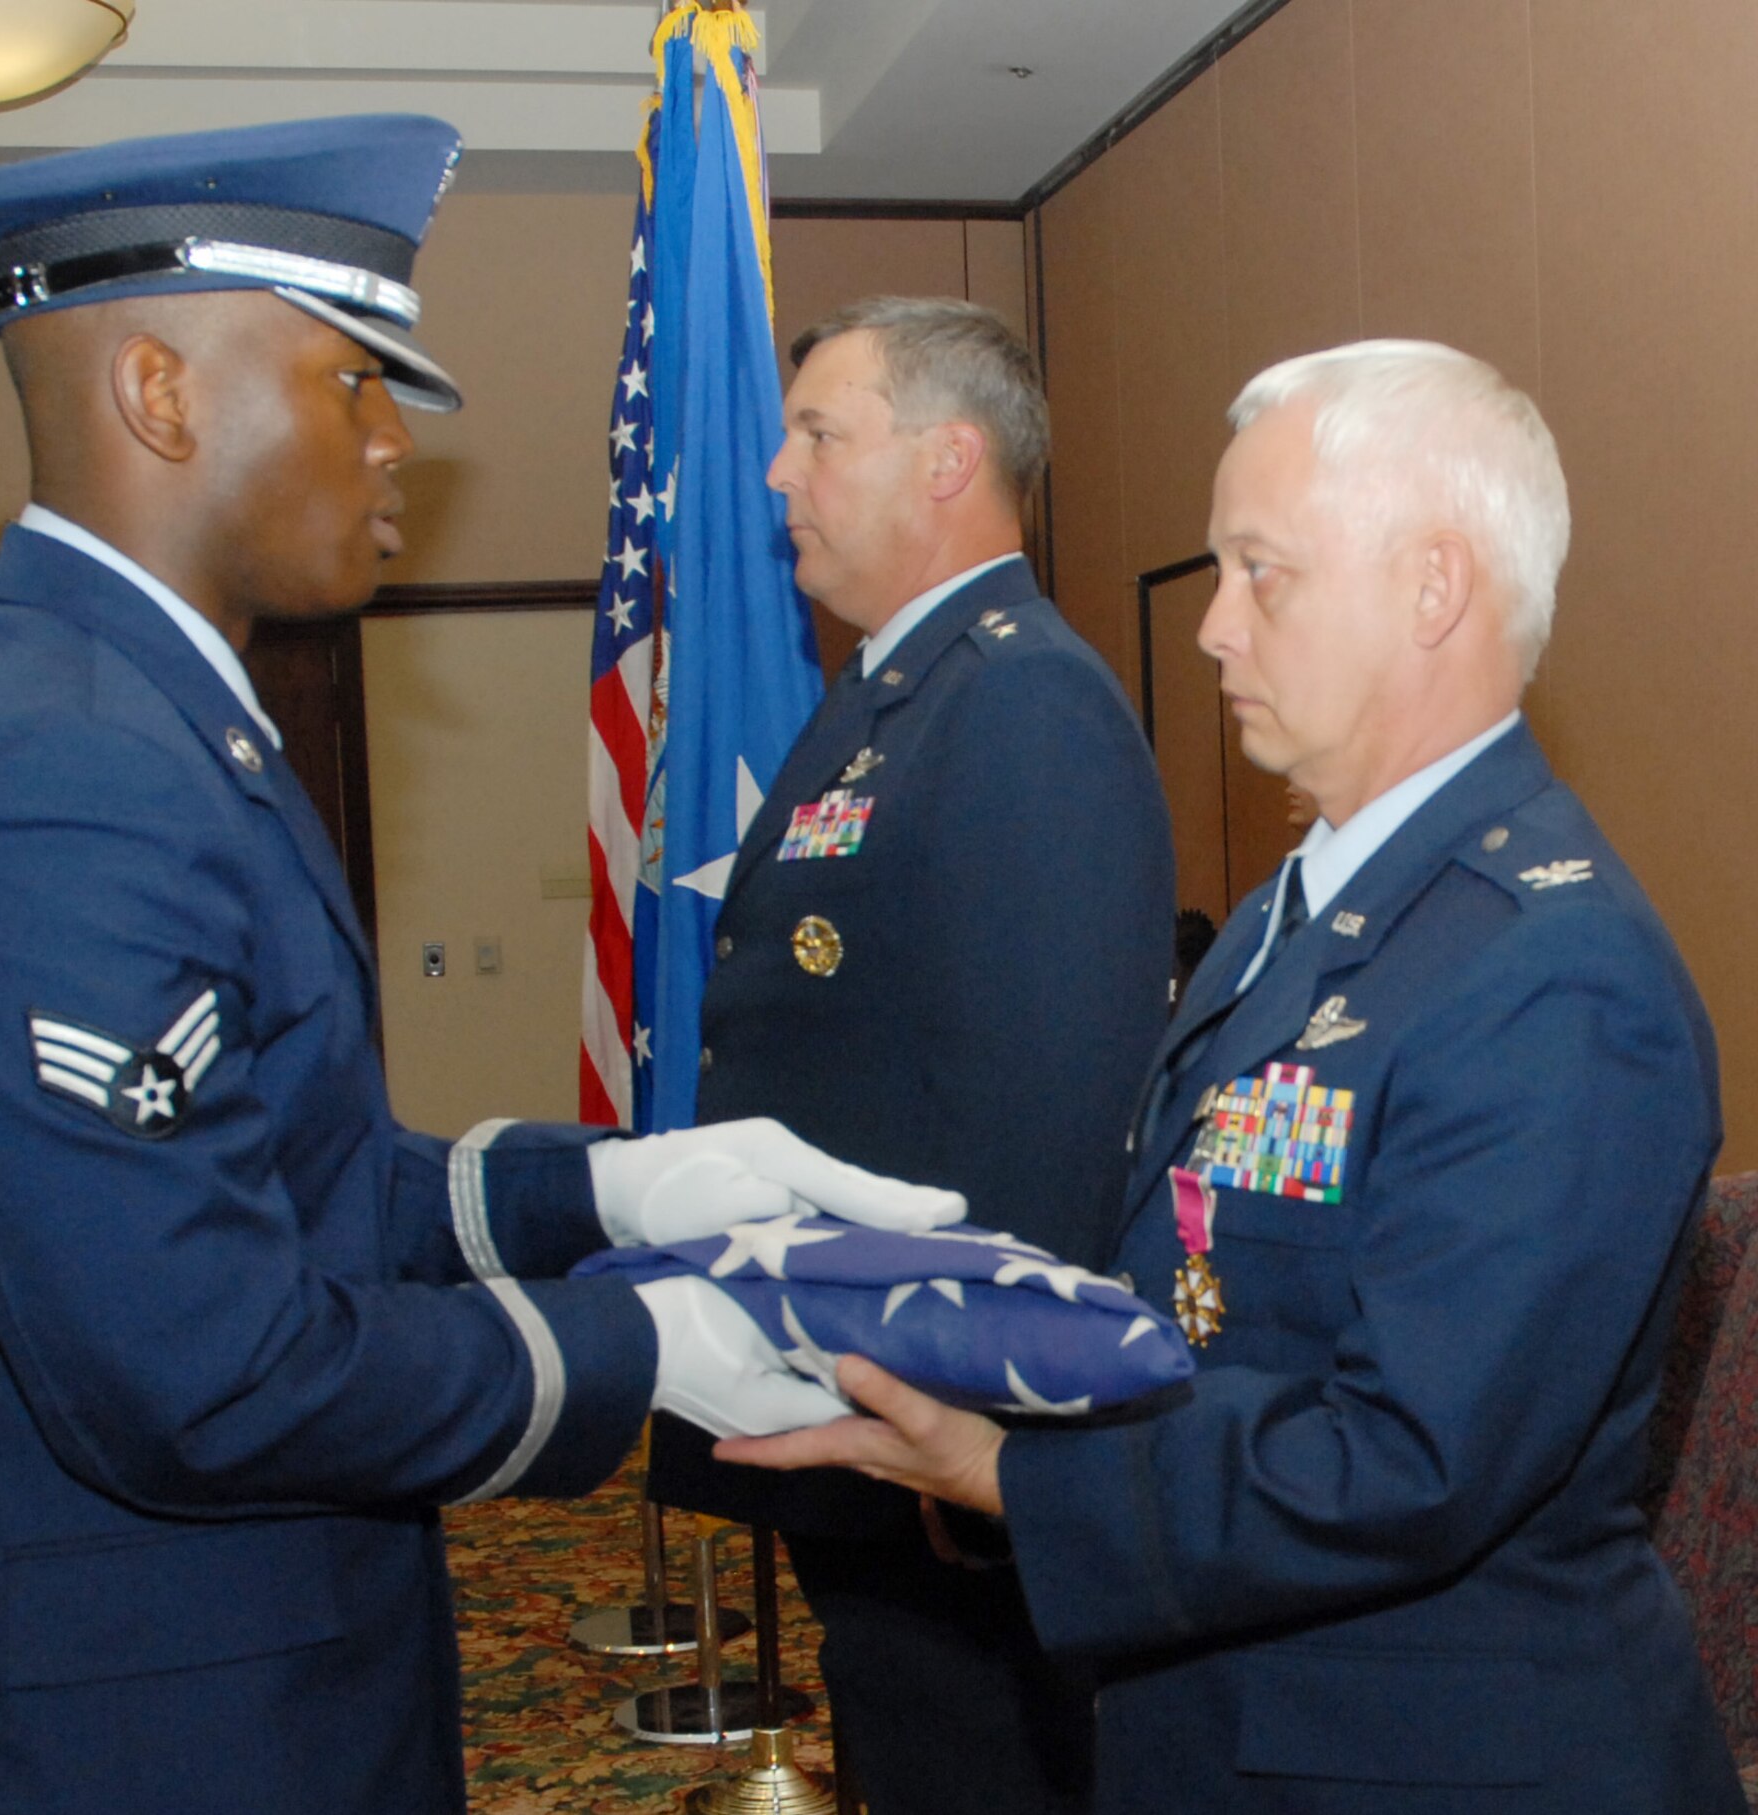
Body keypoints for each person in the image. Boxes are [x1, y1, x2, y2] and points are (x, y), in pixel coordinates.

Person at [0, 116, 964, 1815]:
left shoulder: (149, 723)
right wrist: (641, 1348)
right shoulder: (60, 782)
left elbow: (312, 1181)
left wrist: (628, 1191)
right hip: (138, 1737)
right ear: (161, 389)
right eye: (356, 383)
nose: (393, 448)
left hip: (235, 1674)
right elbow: (208, 1371)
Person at [722, 339, 1746, 1813]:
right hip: (1235, 1710)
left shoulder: (1557, 973)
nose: (1212, 630)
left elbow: (1409, 1459)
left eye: (1261, 573)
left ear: (1433, 589)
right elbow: (1201, 1301)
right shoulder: (1295, 913)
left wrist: (1017, 1481)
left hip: (1434, 1762)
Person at [652, 296, 1174, 1813]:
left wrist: (980, 1435)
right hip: (861, 1400)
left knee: (982, 1767)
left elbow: (1048, 1112)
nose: (777, 473)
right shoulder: (892, 694)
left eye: (821, 434)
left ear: (949, 461)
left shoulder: (1021, 706)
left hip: (936, 1439)